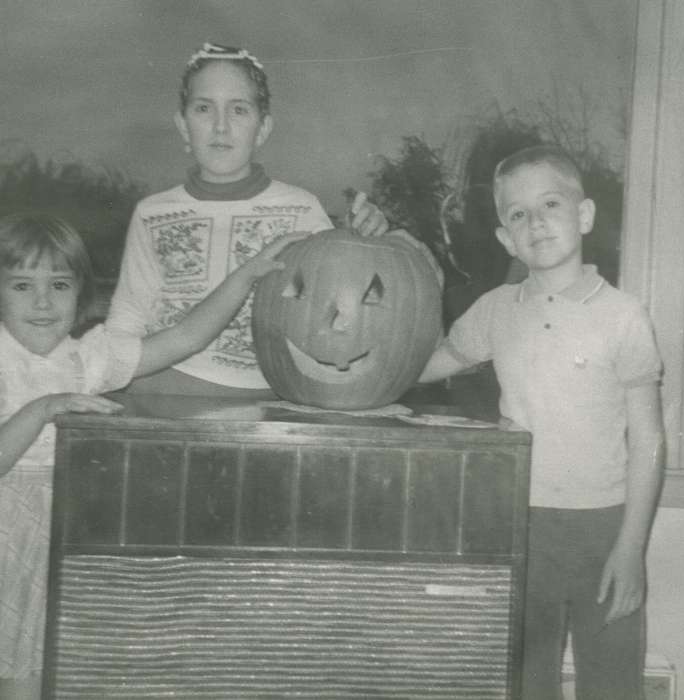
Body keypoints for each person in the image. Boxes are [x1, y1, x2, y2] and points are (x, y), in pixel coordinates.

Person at [0, 212, 301, 700]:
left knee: (69, 665)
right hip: (11, 536)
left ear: (81, 293)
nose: (42, 301)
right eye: (20, 285)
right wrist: (42, 409)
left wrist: (247, 276)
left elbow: (185, 338)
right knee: (21, 674)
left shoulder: (86, 358)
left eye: (58, 284)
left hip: (71, 534)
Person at [418, 145, 665, 700]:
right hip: (519, 526)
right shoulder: (495, 309)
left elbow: (648, 438)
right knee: (525, 684)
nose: (537, 222)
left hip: (604, 528)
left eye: (550, 204)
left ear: (584, 216)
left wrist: (631, 548)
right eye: (518, 214)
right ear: (506, 238)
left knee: (612, 685)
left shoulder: (623, 315)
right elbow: (424, 365)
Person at [106, 42, 388, 397]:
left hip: (266, 396)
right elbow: (127, 317)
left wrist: (368, 236)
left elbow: (337, 293)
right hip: (162, 391)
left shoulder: (300, 208)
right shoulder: (152, 212)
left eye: (238, 110)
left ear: (263, 128)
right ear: (182, 125)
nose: (220, 126)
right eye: (204, 108)